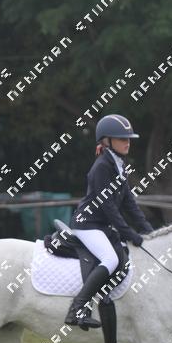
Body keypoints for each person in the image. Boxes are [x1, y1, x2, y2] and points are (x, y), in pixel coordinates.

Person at [64, 114, 154, 329]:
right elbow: (109, 207)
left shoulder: (118, 165)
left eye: (128, 139)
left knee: (122, 256)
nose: (127, 142)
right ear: (106, 141)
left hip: (100, 226)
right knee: (110, 259)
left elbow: (129, 203)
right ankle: (77, 308)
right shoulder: (102, 167)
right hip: (87, 224)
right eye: (122, 138)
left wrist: (148, 230)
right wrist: (129, 233)